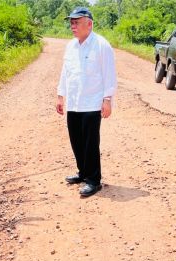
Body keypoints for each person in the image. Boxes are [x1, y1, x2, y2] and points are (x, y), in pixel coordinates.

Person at [56, 7, 117, 197]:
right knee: (76, 140)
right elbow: (66, 73)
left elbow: (110, 75)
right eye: (71, 22)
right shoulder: (70, 46)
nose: (72, 26)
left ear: (89, 24)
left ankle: (93, 180)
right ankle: (82, 173)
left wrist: (107, 100)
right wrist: (61, 95)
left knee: (91, 143)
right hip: (74, 102)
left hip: (92, 102)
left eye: (76, 22)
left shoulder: (101, 45)